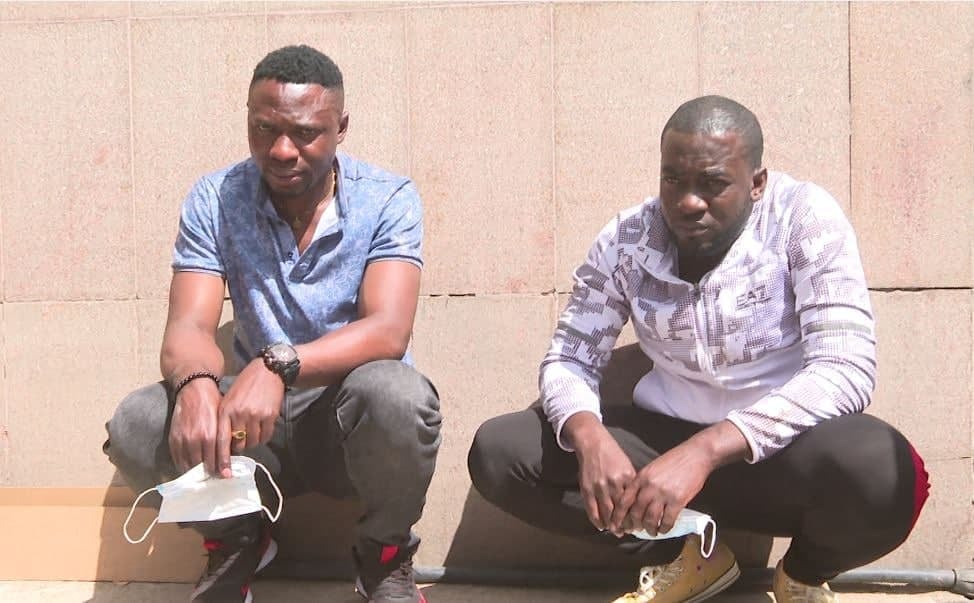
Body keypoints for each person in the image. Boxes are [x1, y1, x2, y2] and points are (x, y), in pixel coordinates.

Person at [468, 95, 929, 603]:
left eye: (712, 184)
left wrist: (706, 450)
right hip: (659, 449)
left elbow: (846, 368)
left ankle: (801, 575)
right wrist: (589, 437)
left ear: (756, 183)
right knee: (501, 451)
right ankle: (689, 556)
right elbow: (568, 359)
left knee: (886, 469)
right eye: (673, 180)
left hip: (780, 453)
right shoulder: (628, 238)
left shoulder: (801, 217)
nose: (688, 202)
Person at [103, 45, 441, 603]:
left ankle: (383, 557)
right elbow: (188, 326)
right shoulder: (217, 198)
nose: (282, 150)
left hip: (342, 423)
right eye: (264, 129)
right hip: (250, 429)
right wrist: (195, 386)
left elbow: (387, 330)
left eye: (306, 133)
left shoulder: (387, 198)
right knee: (138, 422)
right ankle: (238, 539)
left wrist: (279, 364)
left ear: (341, 128)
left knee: (399, 396)